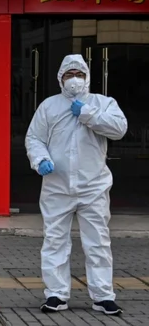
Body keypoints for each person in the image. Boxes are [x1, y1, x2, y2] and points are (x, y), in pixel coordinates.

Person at [25, 54, 127, 316]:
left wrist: (87, 114)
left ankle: (103, 296)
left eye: (78, 74)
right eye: (68, 74)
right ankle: (56, 294)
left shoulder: (103, 103)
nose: (73, 79)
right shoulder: (49, 106)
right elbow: (34, 138)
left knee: (98, 242)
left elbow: (119, 129)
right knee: (55, 241)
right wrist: (41, 159)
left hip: (93, 186)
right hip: (57, 186)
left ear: (87, 77)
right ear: (60, 78)